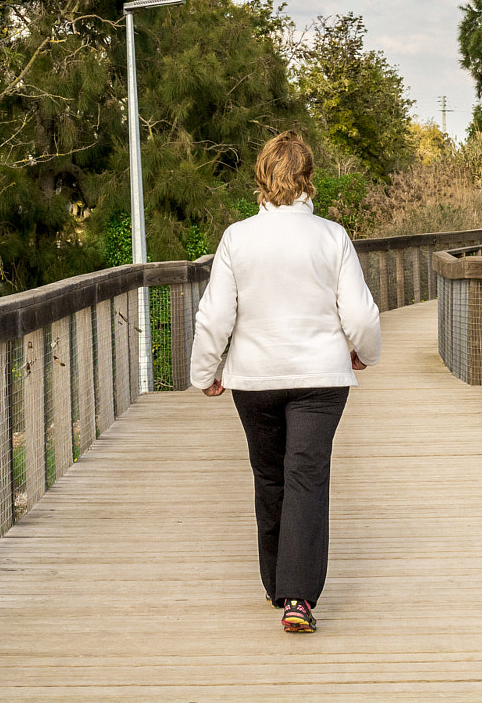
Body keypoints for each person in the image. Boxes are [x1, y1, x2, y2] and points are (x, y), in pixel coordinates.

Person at [190, 131, 381, 634]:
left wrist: (206, 371)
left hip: (255, 378)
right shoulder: (332, 236)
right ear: (308, 179)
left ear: (261, 176)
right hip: (321, 378)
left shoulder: (237, 237)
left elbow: (215, 316)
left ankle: (276, 581)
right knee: (307, 477)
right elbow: (359, 312)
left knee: (270, 475)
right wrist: (364, 350)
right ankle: (297, 597)